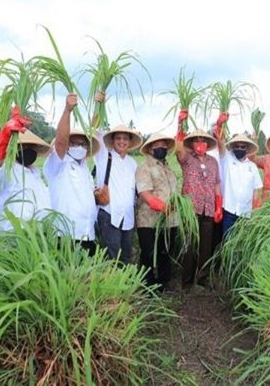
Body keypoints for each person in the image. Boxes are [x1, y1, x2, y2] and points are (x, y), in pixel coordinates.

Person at [43, 93, 100, 256]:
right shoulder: (59, 165)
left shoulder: (84, 168)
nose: (79, 146)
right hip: (65, 234)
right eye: (74, 142)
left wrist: (98, 107)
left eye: (82, 144)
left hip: (87, 232)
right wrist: (67, 110)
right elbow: (60, 141)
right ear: (68, 146)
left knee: (85, 279)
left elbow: (92, 130)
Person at [176, 110, 222, 287]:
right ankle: (186, 280)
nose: (199, 143)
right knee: (189, 245)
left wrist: (218, 206)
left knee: (206, 246)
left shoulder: (212, 162)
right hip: (190, 209)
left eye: (202, 140)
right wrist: (180, 124)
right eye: (195, 140)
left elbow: (217, 184)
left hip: (208, 208)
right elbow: (179, 149)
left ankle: (202, 278)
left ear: (207, 143)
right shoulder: (187, 159)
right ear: (192, 143)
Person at [0, 125, 53, 231]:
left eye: (31, 147)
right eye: (22, 147)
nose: (27, 150)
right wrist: (4, 137)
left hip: (42, 233)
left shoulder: (35, 173)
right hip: (17, 235)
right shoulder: (5, 171)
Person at [135, 133, 179, 288]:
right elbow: (145, 193)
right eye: (158, 145)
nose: (162, 148)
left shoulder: (168, 167)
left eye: (164, 145)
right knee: (148, 254)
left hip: (169, 220)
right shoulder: (144, 167)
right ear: (150, 149)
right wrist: (163, 207)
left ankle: (163, 282)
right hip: (149, 220)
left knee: (165, 252)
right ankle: (147, 285)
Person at [94, 124, 142, 264]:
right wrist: (98, 107)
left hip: (127, 216)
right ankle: (110, 283)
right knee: (111, 256)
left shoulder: (132, 163)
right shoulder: (104, 157)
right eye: (118, 138)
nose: (122, 141)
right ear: (112, 141)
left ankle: (126, 284)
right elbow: (94, 132)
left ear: (130, 142)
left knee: (126, 254)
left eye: (125, 138)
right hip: (109, 214)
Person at [216, 133, 262, 237]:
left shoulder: (252, 167)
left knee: (241, 243)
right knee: (227, 243)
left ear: (247, 149)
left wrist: (256, 211)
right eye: (237, 146)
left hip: (246, 214)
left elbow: (256, 190)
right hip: (229, 211)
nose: (239, 148)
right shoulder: (227, 159)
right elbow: (221, 143)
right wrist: (221, 125)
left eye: (242, 147)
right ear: (232, 147)